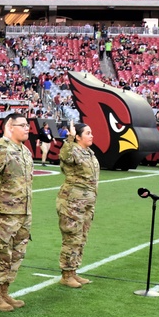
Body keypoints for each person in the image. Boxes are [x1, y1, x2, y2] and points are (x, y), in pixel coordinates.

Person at [0, 113, 33, 311]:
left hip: (23, 212)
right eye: (22, 125)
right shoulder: (2, 148)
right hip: (4, 212)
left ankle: (5, 291)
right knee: (0, 253)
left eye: (27, 124)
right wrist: (4, 140)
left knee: (16, 254)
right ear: (10, 127)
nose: (27, 128)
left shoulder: (25, 151)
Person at [56, 121, 99, 288]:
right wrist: (70, 138)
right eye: (88, 133)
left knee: (81, 238)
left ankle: (73, 271)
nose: (91, 135)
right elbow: (65, 156)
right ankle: (66, 274)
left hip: (86, 202)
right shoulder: (71, 150)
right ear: (78, 136)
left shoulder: (89, 153)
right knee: (72, 237)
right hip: (72, 201)